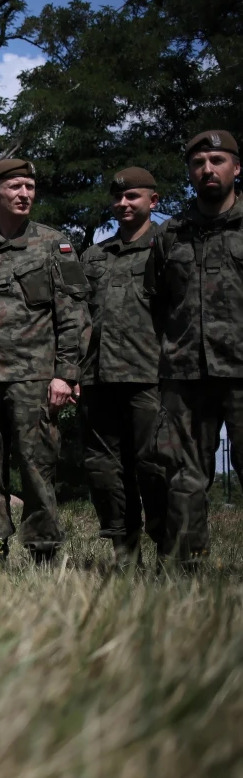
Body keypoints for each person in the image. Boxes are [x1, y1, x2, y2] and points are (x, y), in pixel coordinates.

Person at [0, 159, 89, 565]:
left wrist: (66, 374)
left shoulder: (54, 244)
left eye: (29, 186)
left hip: (33, 378)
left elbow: (74, 315)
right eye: (15, 186)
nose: (25, 194)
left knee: (36, 468)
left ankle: (42, 555)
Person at [149, 130, 243, 567]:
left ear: (236, 168)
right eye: (198, 163)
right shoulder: (171, 234)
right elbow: (157, 301)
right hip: (185, 373)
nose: (208, 169)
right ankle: (188, 568)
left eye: (217, 160)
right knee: (183, 475)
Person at [78, 167, 168, 569]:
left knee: (154, 466)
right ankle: (125, 557)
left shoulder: (168, 247)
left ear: (153, 200)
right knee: (104, 470)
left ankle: (169, 553)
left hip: (150, 376)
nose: (123, 203)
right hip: (98, 378)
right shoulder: (95, 256)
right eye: (117, 197)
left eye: (132, 196)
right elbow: (79, 317)